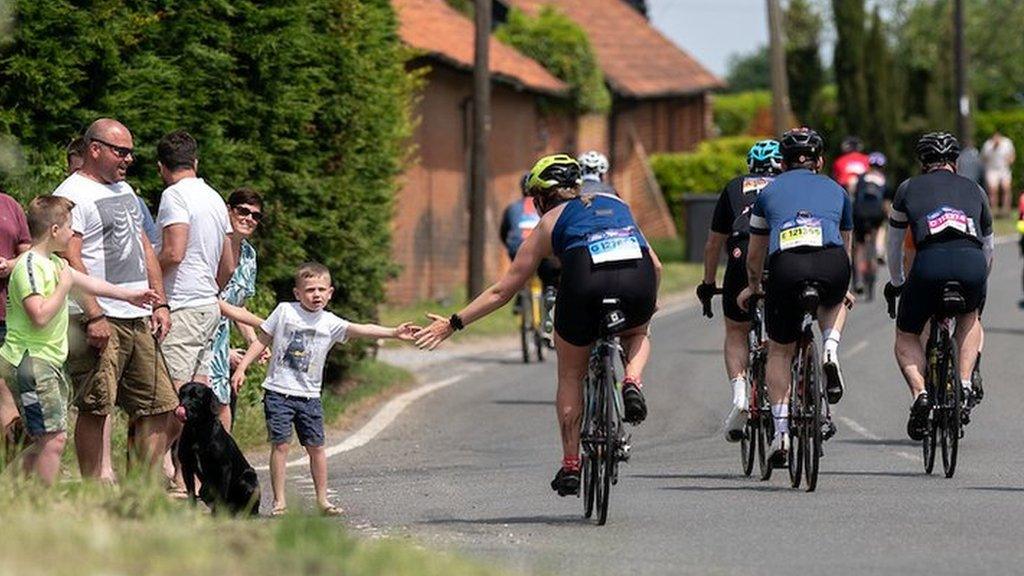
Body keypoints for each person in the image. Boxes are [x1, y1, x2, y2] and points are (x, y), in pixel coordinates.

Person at [414, 154, 662, 497]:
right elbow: (657, 265)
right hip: (637, 280)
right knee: (637, 332)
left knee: (571, 375)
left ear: (542, 198)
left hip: (584, 287)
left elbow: (504, 290)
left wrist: (454, 323)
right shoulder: (616, 202)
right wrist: (649, 300)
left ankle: (572, 464)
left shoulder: (549, 222)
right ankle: (632, 380)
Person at [231, 262, 418, 516]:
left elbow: (361, 329)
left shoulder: (330, 322)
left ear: (330, 293)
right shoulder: (285, 311)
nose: (316, 294)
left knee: (317, 447)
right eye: (309, 290)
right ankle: (280, 501)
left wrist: (394, 332)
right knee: (281, 445)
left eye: (321, 289)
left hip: (309, 397)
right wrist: (242, 368)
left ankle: (322, 500)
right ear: (297, 293)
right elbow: (262, 340)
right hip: (278, 392)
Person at [1, 196, 157, 484]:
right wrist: (64, 286)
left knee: (46, 437)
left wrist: (131, 295)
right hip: (31, 361)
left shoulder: (55, 263)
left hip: (47, 362)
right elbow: (39, 315)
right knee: (53, 439)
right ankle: (37, 502)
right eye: (70, 227)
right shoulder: (31, 266)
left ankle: (15, 493)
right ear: (55, 230)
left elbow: (91, 284)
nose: (73, 233)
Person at [53, 118, 176, 479]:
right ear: (95, 149)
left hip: (137, 315)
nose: (128, 160)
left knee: (160, 405)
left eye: (131, 153)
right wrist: (94, 315)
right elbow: (68, 258)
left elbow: (143, 246)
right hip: (98, 316)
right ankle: (95, 490)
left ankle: (140, 489)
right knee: (97, 406)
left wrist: (161, 302)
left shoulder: (125, 191)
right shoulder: (73, 193)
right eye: (121, 152)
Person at [738, 128, 854, 468]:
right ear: (820, 161)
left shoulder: (769, 192)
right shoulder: (837, 190)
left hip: (786, 267)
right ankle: (831, 347)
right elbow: (846, 242)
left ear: (784, 163)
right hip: (831, 262)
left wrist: (754, 284)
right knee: (834, 301)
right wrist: (844, 283)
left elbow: (755, 253)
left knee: (780, 350)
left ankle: (781, 431)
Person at [883, 132, 992, 441]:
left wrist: (896, 282)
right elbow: (989, 248)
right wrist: (980, 282)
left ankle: (921, 394)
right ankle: (965, 383)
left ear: (922, 163)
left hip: (929, 265)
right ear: (955, 163)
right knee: (970, 318)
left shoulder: (907, 189)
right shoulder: (975, 190)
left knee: (906, 334)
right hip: (972, 265)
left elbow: (894, 246)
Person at [697, 139, 782, 442]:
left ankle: (740, 396)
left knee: (736, 330)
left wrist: (708, 284)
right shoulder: (789, 184)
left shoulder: (735, 186)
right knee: (784, 333)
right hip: (783, 251)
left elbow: (712, 244)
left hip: (742, 252)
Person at [210, 188, 268, 431]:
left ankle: (219, 464)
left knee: (222, 402)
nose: (249, 219)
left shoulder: (248, 255)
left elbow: (237, 303)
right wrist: (265, 324)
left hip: (222, 338)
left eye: (256, 216)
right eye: (243, 211)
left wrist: (255, 343)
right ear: (228, 210)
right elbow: (210, 300)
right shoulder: (211, 244)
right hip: (199, 329)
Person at [67, 137, 160, 246]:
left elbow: (148, 243)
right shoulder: (66, 199)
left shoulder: (128, 194)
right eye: (77, 171)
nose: (82, 177)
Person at [0, 186, 31, 461]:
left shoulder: (10, 205)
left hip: (8, 315)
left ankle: (14, 459)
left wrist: (9, 265)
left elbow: (28, 254)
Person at [850, 152, 891, 298]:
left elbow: (853, 194)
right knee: (873, 243)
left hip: (860, 214)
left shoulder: (861, 178)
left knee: (858, 247)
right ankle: (874, 264)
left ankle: (858, 281)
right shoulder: (884, 180)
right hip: (876, 216)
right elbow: (886, 204)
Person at [981, 130, 1016, 215]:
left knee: (1006, 188)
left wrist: (1010, 160)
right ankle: (994, 210)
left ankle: (1006, 210)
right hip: (992, 170)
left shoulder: (1007, 143)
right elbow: (983, 158)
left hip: (1004, 169)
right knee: (993, 190)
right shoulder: (988, 145)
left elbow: (1012, 155)